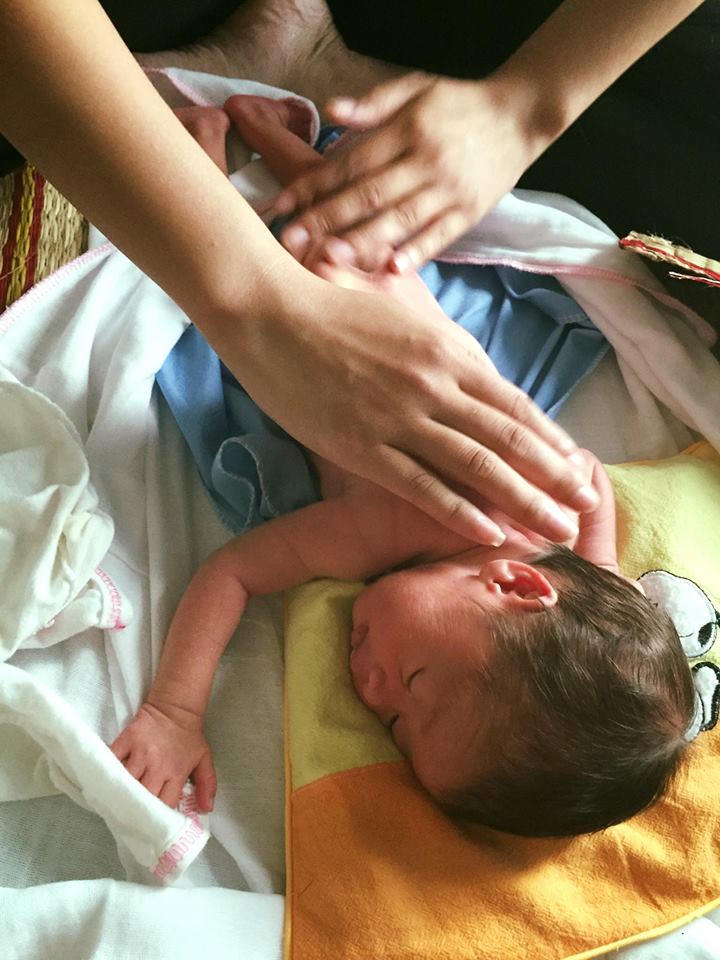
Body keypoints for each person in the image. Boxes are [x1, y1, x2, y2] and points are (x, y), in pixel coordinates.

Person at [110, 96, 694, 837]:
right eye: (414, 681)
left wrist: (596, 567)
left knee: (342, 224)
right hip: (317, 306)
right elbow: (233, 573)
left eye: (392, 723)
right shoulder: (396, 522)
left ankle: (258, 136)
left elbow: (589, 484)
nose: (372, 687)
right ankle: (212, 147)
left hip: (392, 292)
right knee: (270, 237)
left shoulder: (542, 529)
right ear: (515, 585)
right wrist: (175, 710)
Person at [0, 0, 596, 555]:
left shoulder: (363, 550)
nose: (358, 634)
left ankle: (221, 128)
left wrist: (528, 108)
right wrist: (260, 303)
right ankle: (262, 116)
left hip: (337, 349)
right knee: (334, 225)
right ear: (517, 585)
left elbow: (236, 570)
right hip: (386, 292)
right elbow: (589, 488)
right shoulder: (515, 534)